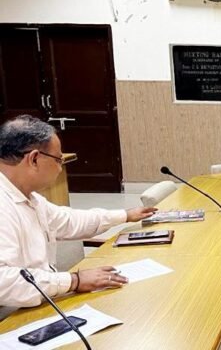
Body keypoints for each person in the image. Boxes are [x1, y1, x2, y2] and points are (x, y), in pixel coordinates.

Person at [0, 115, 156, 314]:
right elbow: (4, 281)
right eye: (58, 159)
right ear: (34, 159)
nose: (60, 167)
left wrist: (125, 215)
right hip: (11, 315)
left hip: (41, 301)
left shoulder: (30, 198)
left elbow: (70, 222)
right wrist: (74, 281)